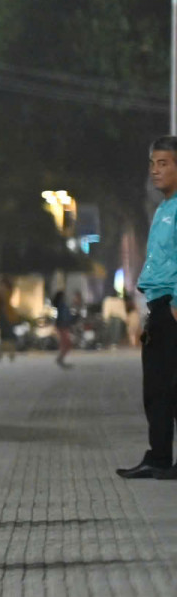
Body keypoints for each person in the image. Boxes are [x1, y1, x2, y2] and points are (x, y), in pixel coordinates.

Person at [120, 137, 177, 479]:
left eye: (164, 163)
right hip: (158, 308)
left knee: (172, 386)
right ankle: (158, 458)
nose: (155, 171)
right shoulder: (163, 209)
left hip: (172, 307)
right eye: (153, 164)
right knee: (156, 388)